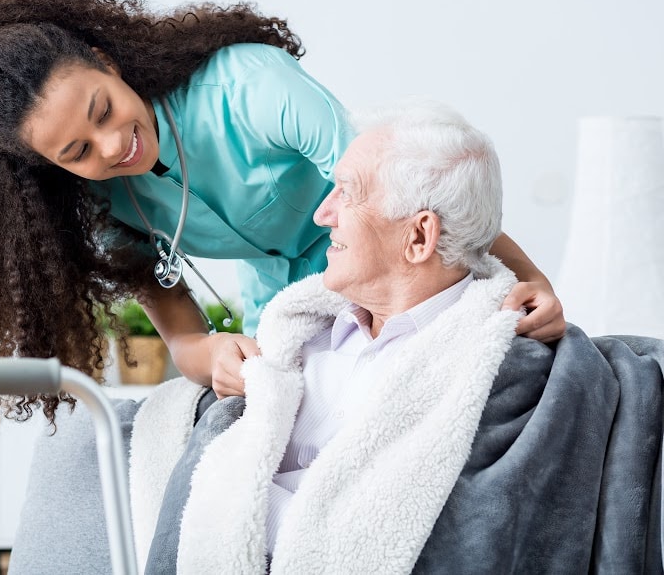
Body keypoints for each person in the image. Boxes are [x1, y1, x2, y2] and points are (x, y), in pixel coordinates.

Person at [0, 0, 564, 426]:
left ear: (106, 62)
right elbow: (185, 342)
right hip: (284, 307)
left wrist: (529, 275)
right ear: (49, 167)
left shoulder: (251, 88)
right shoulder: (108, 209)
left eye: (104, 110)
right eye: (77, 153)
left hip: (392, 266)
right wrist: (214, 356)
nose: (113, 145)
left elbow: (412, 193)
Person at [126, 100, 664, 575]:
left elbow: (453, 531)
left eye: (347, 193)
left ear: (419, 236)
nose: (321, 214)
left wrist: (253, 508)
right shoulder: (296, 340)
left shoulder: (497, 370)